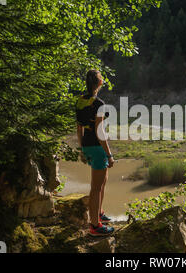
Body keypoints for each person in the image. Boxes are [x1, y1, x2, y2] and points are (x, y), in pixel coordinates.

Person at [76, 69, 115, 236]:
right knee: (96, 188)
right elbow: (100, 132)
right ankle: (95, 226)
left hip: (87, 145)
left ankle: (98, 214)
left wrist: (82, 148)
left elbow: (79, 128)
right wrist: (109, 154)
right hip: (97, 148)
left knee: (102, 182)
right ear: (99, 83)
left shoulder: (81, 101)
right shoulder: (99, 104)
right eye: (101, 78)